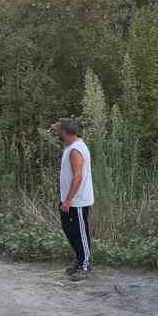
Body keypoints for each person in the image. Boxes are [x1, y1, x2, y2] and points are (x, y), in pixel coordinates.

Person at [56, 118, 94, 281]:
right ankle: (79, 259)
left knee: (80, 233)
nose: (57, 131)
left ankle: (85, 265)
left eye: (59, 129)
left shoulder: (76, 150)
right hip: (69, 200)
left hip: (77, 201)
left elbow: (78, 177)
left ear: (64, 132)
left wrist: (69, 200)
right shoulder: (71, 146)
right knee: (69, 230)